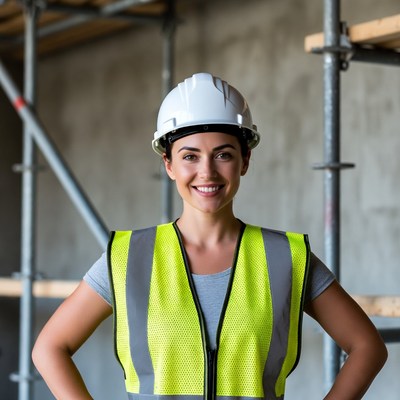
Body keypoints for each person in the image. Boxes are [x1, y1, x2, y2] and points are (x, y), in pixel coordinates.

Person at [32, 72, 387, 400]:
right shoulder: (130, 258)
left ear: (245, 160)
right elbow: (49, 348)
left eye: (223, 154)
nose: (207, 171)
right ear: (168, 164)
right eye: (190, 156)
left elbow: (367, 346)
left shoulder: (286, 258)